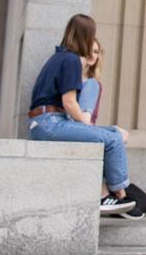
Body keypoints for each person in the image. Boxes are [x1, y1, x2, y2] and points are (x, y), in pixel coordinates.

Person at [28, 14, 134, 215]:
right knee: (112, 140)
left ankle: (113, 193)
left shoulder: (59, 57)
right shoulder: (71, 60)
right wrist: (84, 122)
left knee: (116, 134)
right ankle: (116, 195)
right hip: (49, 123)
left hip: (44, 121)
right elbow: (69, 102)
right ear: (86, 35)